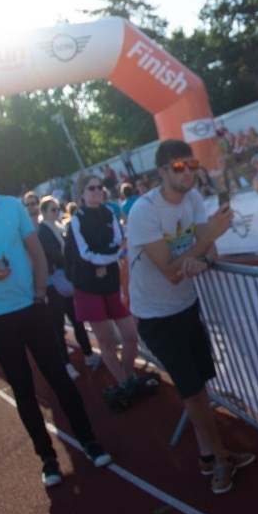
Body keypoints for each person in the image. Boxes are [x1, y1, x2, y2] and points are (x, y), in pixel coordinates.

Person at [0, 150, 112, 486]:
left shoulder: (11, 206)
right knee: (22, 389)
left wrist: (38, 295)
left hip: (31, 307)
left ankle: (89, 441)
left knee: (59, 378)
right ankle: (47, 459)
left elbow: (36, 253)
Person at [126, 139, 254, 494]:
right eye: (179, 167)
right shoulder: (143, 211)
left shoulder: (193, 198)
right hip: (155, 315)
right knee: (193, 392)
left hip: (186, 305)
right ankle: (222, 458)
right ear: (162, 172)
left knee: (200, 385)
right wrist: (207, 238)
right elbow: (170, 270)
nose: (188, 172)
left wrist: (203, 256)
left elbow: (208, 252)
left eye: (192, 164)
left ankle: (207, 456)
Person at [68, 176, 157, 412]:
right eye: (92, 188)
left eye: (101, 187)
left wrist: (105, 259)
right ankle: (124, 383)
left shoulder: (109, 213)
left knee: (130, 335)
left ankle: (129, 377)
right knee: (105, 339)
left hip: (110, 281)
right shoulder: (76, 220)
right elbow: (84, 253)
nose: (98, 191)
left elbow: (120, 243)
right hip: (87, 286)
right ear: (82, 194)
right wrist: (107, 258)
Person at [28, 193, 86, 381]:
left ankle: (88, 353)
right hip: (53, 283)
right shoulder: (43, 232)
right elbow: (56, 256)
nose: (57, 212)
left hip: (64, 280)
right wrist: (71, 261)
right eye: (53, 209)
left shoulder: (58, 227)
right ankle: (66, 363)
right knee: (58, 325)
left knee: (76, 318)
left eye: (58, 209)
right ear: (44, 212)